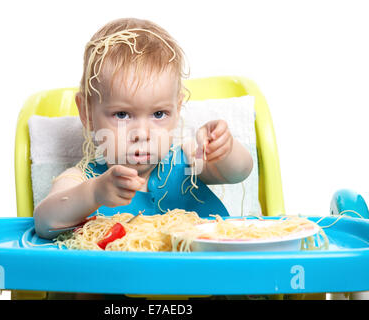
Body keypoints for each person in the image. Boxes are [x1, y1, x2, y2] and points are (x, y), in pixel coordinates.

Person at [34, 17, 253, 240]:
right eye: (122, 115)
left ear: (177, 109)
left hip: (203, 270)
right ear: (87, 113)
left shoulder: (186, 160)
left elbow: (239, 171)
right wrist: (94, 193)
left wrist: (224, 149)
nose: (142, 133)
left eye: (159, 114)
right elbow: (45, 222)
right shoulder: (82, 178)